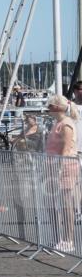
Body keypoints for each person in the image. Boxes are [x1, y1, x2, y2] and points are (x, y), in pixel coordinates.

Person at [44, 95, 78, 252]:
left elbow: (65, 149)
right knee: (50, 203)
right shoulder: (57, 123)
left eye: (50, 106)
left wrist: (58, 168)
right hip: (52, 166)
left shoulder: (66, 125)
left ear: (57, 107)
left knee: (66, 204)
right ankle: (57, 237)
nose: (48, 109)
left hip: (65, 167)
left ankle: (68, 239)